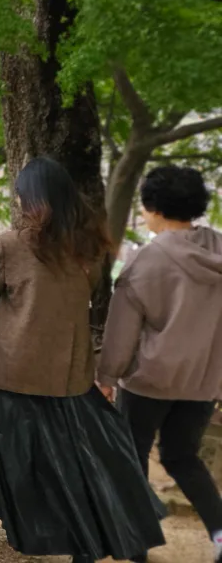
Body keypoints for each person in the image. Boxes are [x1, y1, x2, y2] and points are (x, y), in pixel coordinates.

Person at [0, 157, 164, 562]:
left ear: (33, 200)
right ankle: (83, 533)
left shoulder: (11, 244)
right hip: (69, 372)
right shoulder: (90, 249)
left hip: (12, 367)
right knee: (66, 457)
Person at [98, 165, 222, 563]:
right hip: (203, 383)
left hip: (147, 384)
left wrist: (107, 374)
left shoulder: (145, 263)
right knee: (182, 457)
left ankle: (135, 546)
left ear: (152, 207)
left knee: (131, 459)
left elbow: (121, 334)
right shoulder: (218, 249)